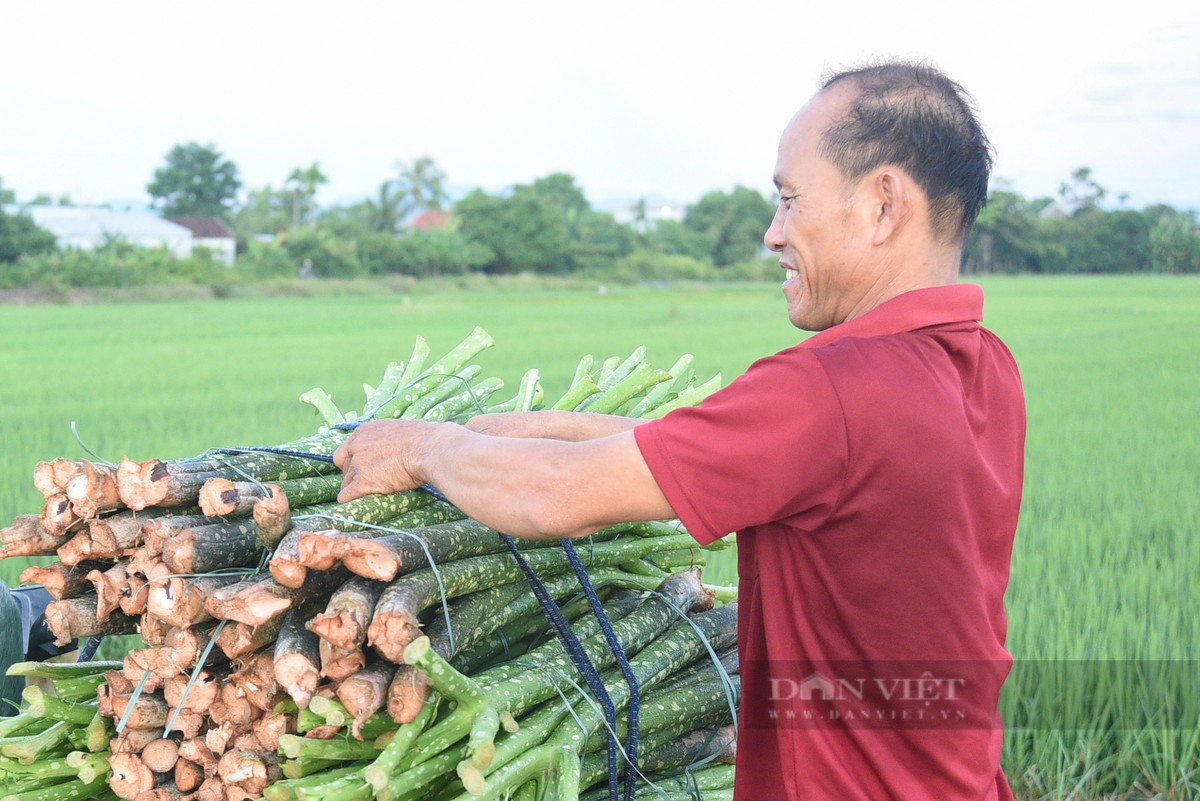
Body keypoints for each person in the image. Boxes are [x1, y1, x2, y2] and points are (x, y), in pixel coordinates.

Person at [335, 60, 1025, 801]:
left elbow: (553, 497)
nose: (774, 233)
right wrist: (547, 426)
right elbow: (750, 453)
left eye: (791, 201)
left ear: (884, 204)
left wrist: (419, 447)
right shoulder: (979, 364)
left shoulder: (835, 387)